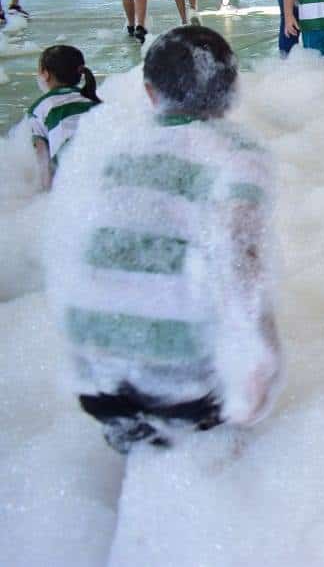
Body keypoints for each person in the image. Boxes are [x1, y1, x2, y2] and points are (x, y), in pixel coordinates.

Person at [44, 26, 283, 455]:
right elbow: (240, 262)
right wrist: (258, 368)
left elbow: (74, 250)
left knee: (145, 451)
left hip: (96, 375)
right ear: (231, 91)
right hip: (181, 382)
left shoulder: (113, 146)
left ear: (150, 93)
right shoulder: (237, 153)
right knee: (217, 448)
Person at [27, 45, 101, 189]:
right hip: (101, 169)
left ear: (45, 74)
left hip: (71, 178)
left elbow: (43, 161)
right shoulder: (93, 100)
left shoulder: (39, 108)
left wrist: (45, 196)